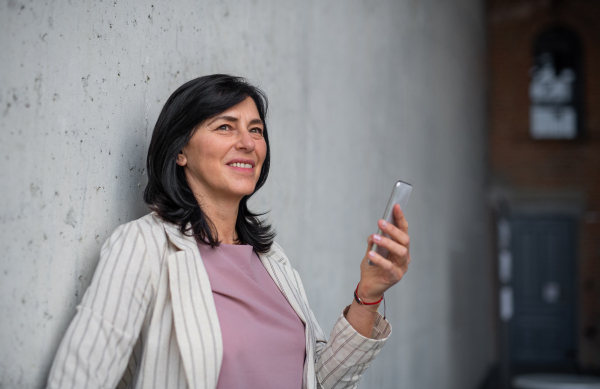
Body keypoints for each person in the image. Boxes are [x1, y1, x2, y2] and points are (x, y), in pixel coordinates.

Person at [46, 74, 411, 389]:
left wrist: (368, 295)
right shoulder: (144, 246)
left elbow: (316, 381)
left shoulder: (272, 261)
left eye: (256, 130)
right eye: (225, 126)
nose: (248, 142)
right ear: (180, 151)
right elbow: (81, 377)